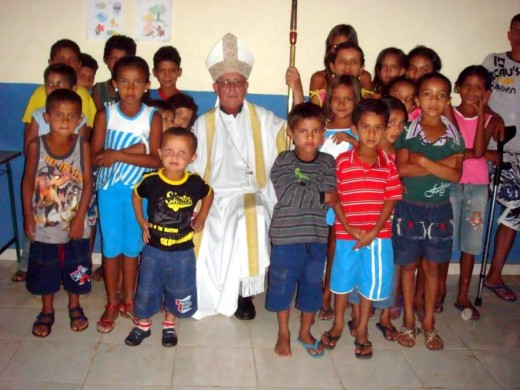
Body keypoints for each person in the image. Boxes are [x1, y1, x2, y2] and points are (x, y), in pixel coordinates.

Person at [189, 33, 303, 320]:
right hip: (212, 196)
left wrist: (297, 91)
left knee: (251, 216)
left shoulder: (263, 119)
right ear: (215, 87)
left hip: (249, 194)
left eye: (237, 82)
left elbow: (295, 132)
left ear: (246, 86)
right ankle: (195, 290)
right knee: (206, 226)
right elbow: (190, 166)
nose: (231, 88)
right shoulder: (202, 125)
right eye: (225, 83)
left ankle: (245, 294)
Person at [266, 102, 353, 358]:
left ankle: (305, 331)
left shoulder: (327, 162)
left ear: (323, 134)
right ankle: (284, 331)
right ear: (291, 133)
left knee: (312, 287)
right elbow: (289, 194)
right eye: (303, 131)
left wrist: (320, 194)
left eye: (316, 131)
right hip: (285, 238)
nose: (310, 137)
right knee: (282, 285)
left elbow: (332, 194)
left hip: (316, 237)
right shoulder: (283, 160)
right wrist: (322, 194)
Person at [320, 99, 402, 359]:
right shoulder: (342, 162)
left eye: (378, 128)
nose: (371, 134)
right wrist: (348, 227)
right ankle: (338, 324)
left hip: (378, 238)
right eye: (365, 127)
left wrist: (374, 232)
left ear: (385, 129)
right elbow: (335, 198)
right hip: (347, 235)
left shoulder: (388, 164)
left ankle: (363, 329)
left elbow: (391, 200)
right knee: (341, 283)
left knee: (370, 285)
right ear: (355, 128)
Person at [393, 73, 464, 350]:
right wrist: (439, 163)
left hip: (439, 211)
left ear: (448, 99)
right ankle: (409, 320)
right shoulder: (407, 132)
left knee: (432, 267)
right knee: (408, 266)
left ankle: (429, 323)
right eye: (427, 94)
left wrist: (421, 160)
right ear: (418, 98)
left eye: (440, 95)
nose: (433, 101)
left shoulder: (453, 134)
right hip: (409, 208)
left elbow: (456, 176)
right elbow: (402, 169)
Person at [91, 56, 162, 333]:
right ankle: (111, 303)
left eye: (137, 82)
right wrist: (136, 150)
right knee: (111, 248)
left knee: (132, 249)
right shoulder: (104, 115)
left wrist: (119, 154)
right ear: (115, 84)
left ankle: (129, 301)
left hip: (138, 194)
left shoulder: (152, 117)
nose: (130, 88)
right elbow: (98, 156)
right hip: (109, 191)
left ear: (147, 85)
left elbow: (156, 161)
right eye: (124, 82)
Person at [125, 127, 214, 347]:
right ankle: (143, 324)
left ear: (193, 157)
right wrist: (141, 220)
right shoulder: (151, 180)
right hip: (153, 249)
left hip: (182, 251)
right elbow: (136, 195)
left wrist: (202, 214)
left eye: (182, 153)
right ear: (159, 152)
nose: (175, 156)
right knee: (147, 286)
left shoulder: (194, 183)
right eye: (169, 150)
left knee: (178, 287)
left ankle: (169, 325)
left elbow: (210, 192)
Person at [22, 89, 93, 337]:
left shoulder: (82, 145)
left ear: (80, 119)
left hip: (75, 219)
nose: (65, 121)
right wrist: (29, 216)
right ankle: (47, 310)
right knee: (45, 266)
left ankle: (75, 305)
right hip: (44, 221)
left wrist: (80, 218)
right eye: (59, 115)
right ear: (47, 116)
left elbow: (87, 183)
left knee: (76, 263)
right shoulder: (36, 145)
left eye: (72, 116)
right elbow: (28, 180)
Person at [444, 65, 501, 319]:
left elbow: (476, 149)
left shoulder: (490, 119)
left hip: (477, 186)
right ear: (457, 88)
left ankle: (462, 294)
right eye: (467, 85)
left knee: (471, 242)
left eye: (479, 87)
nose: (471, 91)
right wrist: (482, 154)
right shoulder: (447, 113)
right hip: (451, 183)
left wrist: (482, 113)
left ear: (486, 92)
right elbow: (455, 150)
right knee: (445, 239)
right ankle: (439, 292)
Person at [482, 13, 520, 302]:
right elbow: (476, 99)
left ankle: (494, 275)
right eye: (517, 30)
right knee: (516, 204)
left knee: (517, 212)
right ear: (509, 33)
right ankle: (491, 274)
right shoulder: (493, 62)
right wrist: (492, 115)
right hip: (496, 150)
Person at [318, 75, 360, 321]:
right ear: (328, 99)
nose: (341, 104)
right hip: (319, 198)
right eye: (336, 99)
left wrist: (355, 141)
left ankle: (328, 294)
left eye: (348, 99)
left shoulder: (357, 129)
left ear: (356, 100)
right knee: (318, 248)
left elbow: (369, 156)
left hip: (345, 201)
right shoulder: (321, 127)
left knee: (335, 250)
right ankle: (319, 291)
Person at [21, 39, 97, 129]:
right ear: (51, 63)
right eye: (61, 59)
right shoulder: (39, 93)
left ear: (79, 64)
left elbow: (87, 128)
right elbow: (29, 126)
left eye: (71, 60)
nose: (66, 63)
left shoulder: (83, 94)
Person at [25, 64, 87, 153]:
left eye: (60, 83)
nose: (54, 88)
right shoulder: (38, 115)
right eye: (49, 84)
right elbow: (29, 149)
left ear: (73, 88)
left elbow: (82, 150)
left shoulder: (78, 117)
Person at [309, 24, 371, 107]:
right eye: (336, 46)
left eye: (345, 45)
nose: (347, 66)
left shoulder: (364, 77)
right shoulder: (319, 78)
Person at [92, 35, 137, 110]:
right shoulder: (98, 89)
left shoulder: (137, 88)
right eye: (113, 59)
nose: (118, 63)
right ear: (106, 60)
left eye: (123, 59)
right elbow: (100, 117)